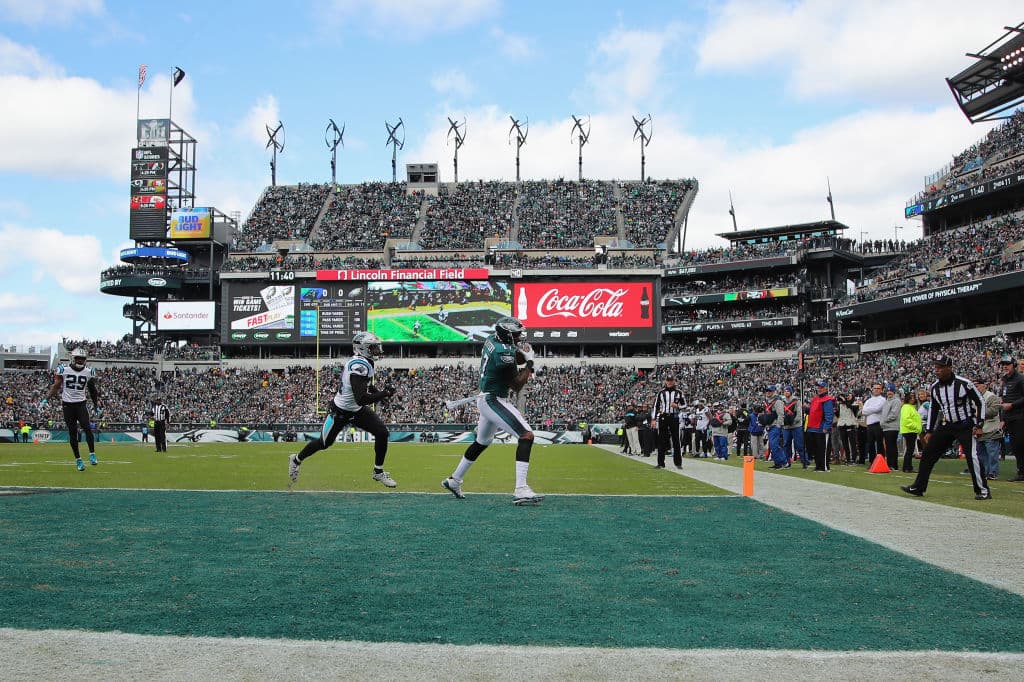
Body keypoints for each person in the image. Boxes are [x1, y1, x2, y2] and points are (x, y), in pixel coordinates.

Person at [441, 316, 543, 505]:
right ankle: (521, 489)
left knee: (482, 442)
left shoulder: (492, 340)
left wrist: (522, 356)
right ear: (507, 334)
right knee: (526, 435)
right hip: (493, 399)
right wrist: (529, 364)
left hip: (486, 397)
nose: (520, 336)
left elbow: (511, 354)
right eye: (516, 333)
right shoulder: (501, 353)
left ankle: (454, 480)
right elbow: (516, 385)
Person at [289, 331, 397, 489]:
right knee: (324, 443)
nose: (377, 350)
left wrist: (379, 392)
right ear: (363, 348)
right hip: (340, 411)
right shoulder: (359, 366)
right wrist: (384, 394)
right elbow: (361, 398)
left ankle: (378, 472)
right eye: (373, 347)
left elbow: (366, 386)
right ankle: (296, 459)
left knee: (382, 433)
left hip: (356, 410)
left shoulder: (365, 362)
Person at [901, 355, 991, 501]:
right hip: (947, 424)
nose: (937, 370)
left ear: (949, 368)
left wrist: (979, 424)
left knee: (972, 456)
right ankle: (918, 487)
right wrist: (929, 430)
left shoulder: (964, 383)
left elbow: (980, 402)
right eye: (936, 367)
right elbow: (933, 409)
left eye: (940, 367)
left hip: (965, 424)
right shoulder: (935, 387)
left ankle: (982, 490)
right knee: (928, 453)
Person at [42, 348, 99, 471]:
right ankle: (78, 460)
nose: (80, 360)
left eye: (82, 358)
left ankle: (92, 453)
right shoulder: (64, 370)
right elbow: (56, 386)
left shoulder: (89, 371)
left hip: (81, 404)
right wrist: (46, 399)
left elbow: (93, 390)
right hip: (67, 405)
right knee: (72, 433)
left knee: (87, 428)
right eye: (78, 358)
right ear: (73, 358)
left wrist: (96, 405)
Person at [997, 355, 1024, 482]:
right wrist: (1002, 419)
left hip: (1020, 416)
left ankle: (1022, 471)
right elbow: (1003, 400)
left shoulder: (1020, 379)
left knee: (1020, 444)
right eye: (1003, 364)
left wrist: (1012, 405)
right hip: (1009, 417)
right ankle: (1021, 471)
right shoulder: (1004, 380)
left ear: (1014, 365)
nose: (1005, 366)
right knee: (1015, 445)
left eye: (1007, 364)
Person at [651, 374, 684, 469]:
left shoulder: (679, 392)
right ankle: (661, 463)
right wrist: (653, 419)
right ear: (666, 381)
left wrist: (677, 406)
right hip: (663, 417)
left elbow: (685, 405)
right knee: (661, 440)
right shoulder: (661, 393)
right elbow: (656, 407)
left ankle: (678, 463)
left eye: (671, 380)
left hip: (674, 416)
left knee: (676, 440)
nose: (669, 382)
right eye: (668, 380)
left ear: (674, 381)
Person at [805, 380, 835, 472]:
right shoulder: (815, 399)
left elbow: (829, 414)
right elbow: (812, 412)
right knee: (816, 449)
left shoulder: (827, 400)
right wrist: (806, 409)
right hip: (812, 427)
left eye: (821, 387)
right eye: (818, 387)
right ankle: (818, 465)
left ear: (826, 388)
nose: (819, 389)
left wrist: (826, 426)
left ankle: (824, 466)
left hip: (821, 427)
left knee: (823, 448)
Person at [975, 378, 1002, 481]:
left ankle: (993, 473)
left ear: (984, 385)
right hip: (979, 430)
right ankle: (984, 472)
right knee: (981, 454)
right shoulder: (974, 397)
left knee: (992, 453)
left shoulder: (991, 396)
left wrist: (978, 414)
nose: (975, 388)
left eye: (977, 385)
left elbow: (994, 411)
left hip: (991, 429)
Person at [761, 385, 788, 469]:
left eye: (770, 391)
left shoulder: (778, 401)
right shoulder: (767, 401)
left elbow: (781, 414)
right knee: (773, 446)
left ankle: (782, 462)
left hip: (775, 425)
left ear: (774, 391)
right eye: (767, 391)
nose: (768, 392)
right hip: (769, 426)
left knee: (774, 445)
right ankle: (780, 462)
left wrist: (779, 425)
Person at [781, 385, 805, 468]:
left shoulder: (796, 401)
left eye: (788, 391)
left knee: (799, 444)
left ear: (791, 392)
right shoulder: (782, 401)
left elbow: (799, 414)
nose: (786, 392)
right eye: (785, 391)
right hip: (786, 427)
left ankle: (804, 461)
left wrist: (793, 421)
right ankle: (787, 462)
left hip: (796, 426)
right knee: (786, 444)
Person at [861, 383, 886, 465]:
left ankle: (881, 462)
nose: (876, 389)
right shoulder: (868, 400)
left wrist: (869, 410)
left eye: (878, 388)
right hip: (869, 424)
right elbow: (864, 411)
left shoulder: (882, 399)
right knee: (870, 444)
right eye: (875, 388)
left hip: (878, 424)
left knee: (879, 444)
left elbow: (877, 408)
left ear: (881, 390)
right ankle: (872, 462)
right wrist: (871, 410)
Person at [899, 391, 922, 473]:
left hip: (910, 430)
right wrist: (916, 427)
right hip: (909, 430)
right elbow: (906, 420)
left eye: (913, 397)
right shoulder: (907, 407)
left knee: (910, 449)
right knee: (910, 450)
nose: (913, 399)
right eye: (911, 397)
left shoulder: (909, 407)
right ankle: (907, 467)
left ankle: (907, 466)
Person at [880, 383, 902, 470]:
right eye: (888, 391)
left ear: (894, 391)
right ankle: (889, 464)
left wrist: (883, 421)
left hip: (892, 427)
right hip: (886, 427)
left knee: (891, 446)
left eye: (891, 391)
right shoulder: (887, 401)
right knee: (889, 446)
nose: (889, 392)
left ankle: (893, 465)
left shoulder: (896, 401)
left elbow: (894, 414)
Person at [836, 392, 860, 465]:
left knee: (852, 443)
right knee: (845, 444)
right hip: (842, 425)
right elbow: (838, 415)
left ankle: (854, 459)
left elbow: (852, 408)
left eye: (849, 396)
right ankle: (848, 458)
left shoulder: (854, 404)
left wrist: (844, 401)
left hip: (851, 425)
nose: (847, 397)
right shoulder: (840, 405)